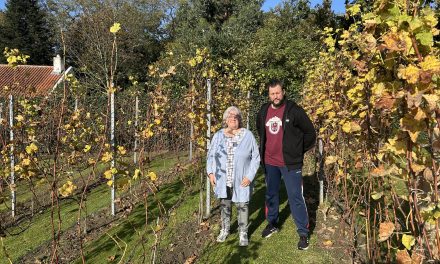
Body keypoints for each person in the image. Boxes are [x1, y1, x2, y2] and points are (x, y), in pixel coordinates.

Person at [256, 79, 316, 250]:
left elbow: (310, 133)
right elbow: (260, 129)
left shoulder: (294, 111)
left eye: (278, 93)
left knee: (295, 197)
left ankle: (303, 233)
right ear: (269, 95)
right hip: (270, 162)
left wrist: (298, 151)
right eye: (272, 93)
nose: (275, 96)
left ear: (283, 92)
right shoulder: (263, 111)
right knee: (271, 195)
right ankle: (272, 223)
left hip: (290, 163)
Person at [206, 106, 260, 247]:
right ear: (225, 120)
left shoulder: (247, 135)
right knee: (225, 204)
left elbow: (256, 157)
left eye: (235, 116)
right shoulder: (218, 136)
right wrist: (211, 173)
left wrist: (250, 176)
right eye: (230, 116)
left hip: (241, 179)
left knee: (242, 204)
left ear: (240, 119)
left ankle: (243, 232)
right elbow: (211, 155)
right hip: (223, 179)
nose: (233, 118)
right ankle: (225, 229)